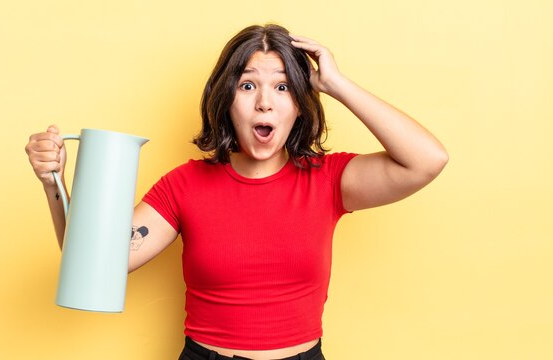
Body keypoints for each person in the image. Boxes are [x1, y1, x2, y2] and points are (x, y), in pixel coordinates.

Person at [25, 24, 448, 360]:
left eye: (283, 87)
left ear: (300, 103)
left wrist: (336, 84)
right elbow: (96, 263)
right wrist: (54, 184)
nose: (265, 102)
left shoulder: (327, 179)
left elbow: (427, 159)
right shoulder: (184, 185)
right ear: (226, 100)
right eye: (248, 86)